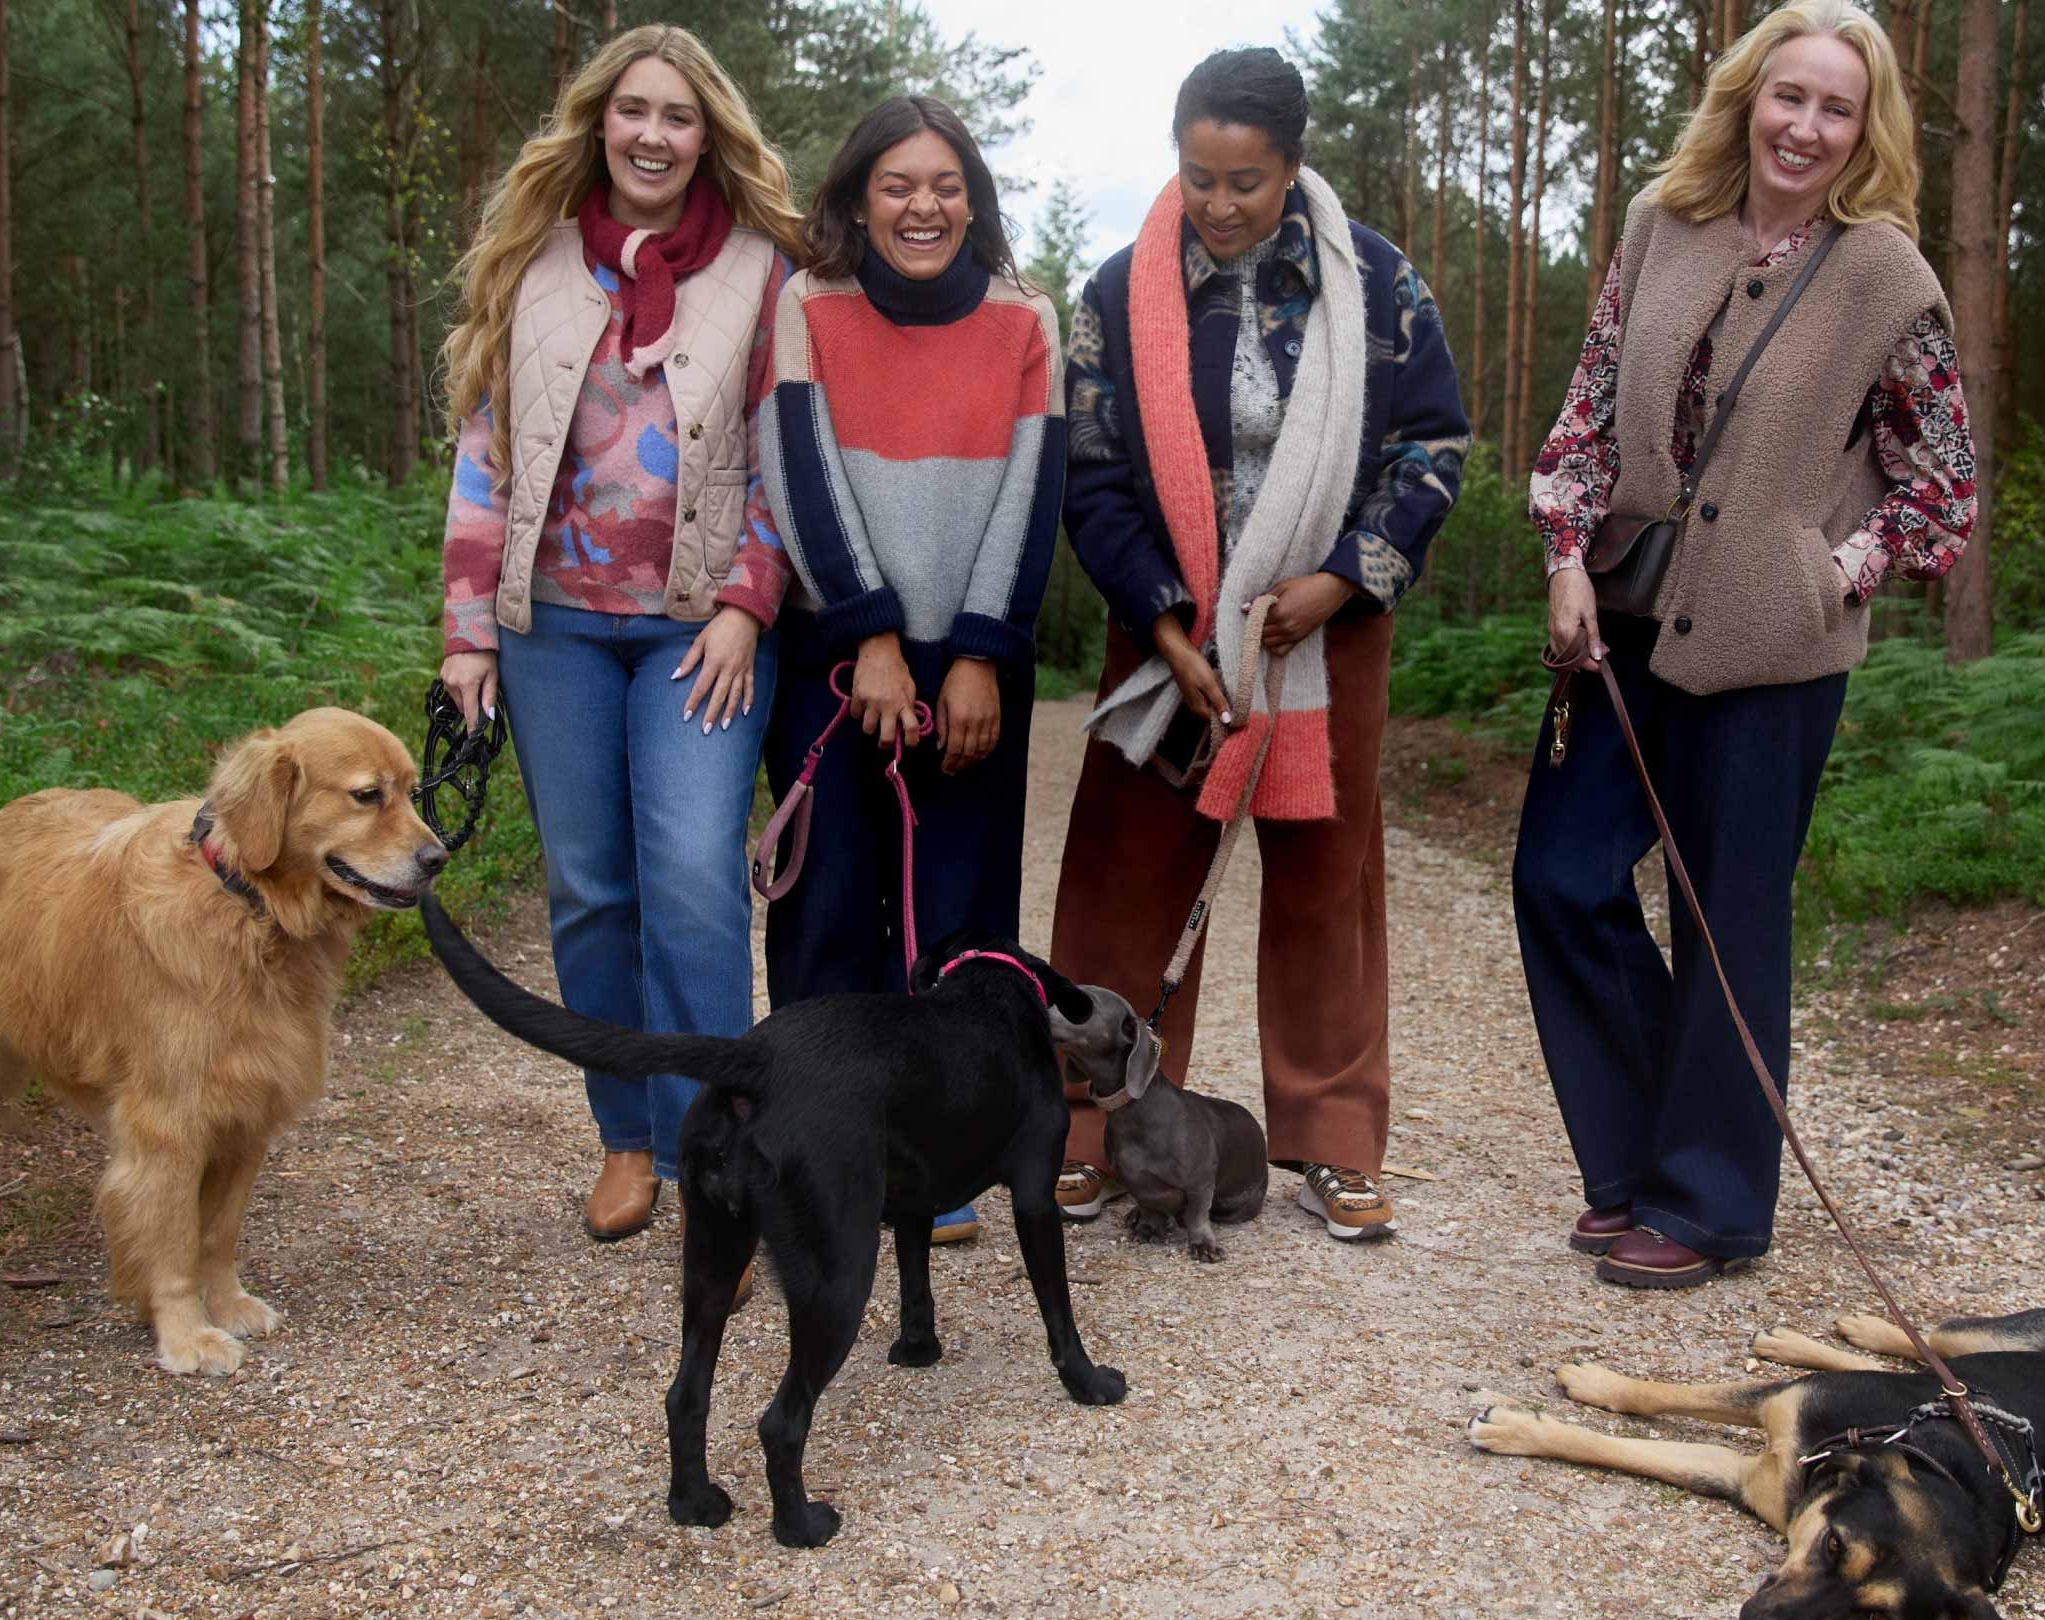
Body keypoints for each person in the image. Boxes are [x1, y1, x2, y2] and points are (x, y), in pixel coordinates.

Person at [1514, 0, 1975, 1289]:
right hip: (1619, 613)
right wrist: (1563, 553)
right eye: (1790, 97)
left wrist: (1845, 570)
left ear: (1862, 129)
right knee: (1561, 876)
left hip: (1776, 649)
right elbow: (1589, 410)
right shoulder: (1662, 230)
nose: (1807, 126)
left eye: (1837, 107)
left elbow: (1940, 484)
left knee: (1728, 921)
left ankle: (1709, 1204)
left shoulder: (1887, 275)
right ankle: (1639, 1161)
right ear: (1745, 100)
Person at [1050, 47, 1471, 1244]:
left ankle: (1334, 1142)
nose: (1221, 205)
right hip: (1169, 633)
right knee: (1124, 876)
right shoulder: (1115, 293)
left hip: (1325, 634)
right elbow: (1089, 474)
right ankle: (1089, 1127)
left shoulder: (1378, 284)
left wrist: (1341, 580)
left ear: (1292, 168)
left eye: (1247, 181)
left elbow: (1433, 448)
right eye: (1199, 177)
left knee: (1323, 883)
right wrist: (1172, 622)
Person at [436, 24, 802, 1244]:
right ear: (600, 120)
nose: (653, 134)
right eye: (633, 110)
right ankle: (629, 1137)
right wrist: (467, 634)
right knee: (590, 891)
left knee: (695, 883)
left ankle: (724, 1163)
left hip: (700, 632)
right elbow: (485, 454)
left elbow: (786, 458)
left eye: (679, 116)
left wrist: (754, 600)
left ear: (711, 138)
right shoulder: (531, 261)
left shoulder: (764, 271)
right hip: (555, 633)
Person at [756, 97, 1065, 1246]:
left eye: (944, 186)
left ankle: (936, 1173)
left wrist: (983, 650)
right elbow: (802, 473)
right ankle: (816, 1149)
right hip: (842, 659)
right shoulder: (811, 308)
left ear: (973, 199)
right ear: (859, 197)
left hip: (975, 660)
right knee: (832, 904)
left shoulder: (1025, 320)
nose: (922, 206)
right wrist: (868, 630)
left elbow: (1034, 498)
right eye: (898, 185)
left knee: (961, 919)